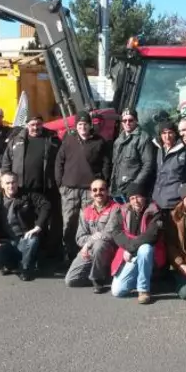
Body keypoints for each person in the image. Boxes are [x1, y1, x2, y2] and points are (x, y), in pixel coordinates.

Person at [0, 171, 50, 281]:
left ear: (18, 182)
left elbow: (46, 205)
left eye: (13, 182)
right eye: (7, 183)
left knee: (33, 240)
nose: (11, 186)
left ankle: (25, 268)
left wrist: (38, 227)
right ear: (2, 185)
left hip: (24, 239)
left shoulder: (28, 195)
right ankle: (11, 264)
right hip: (5, 241)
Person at [2, 114, 60, 259]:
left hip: (44, 189)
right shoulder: (16, 139)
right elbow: (6, 162)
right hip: (21, 189)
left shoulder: (52, 140)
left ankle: (42, 254)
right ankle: (21, 253)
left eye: (38, 124)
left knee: (43, 222)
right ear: (27, 125)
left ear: (42, 124)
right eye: (32, 125)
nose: (35, 128)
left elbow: (60, 162)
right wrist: (6, 180)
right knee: (22, 221)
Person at [55, 111, 111, 261]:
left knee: (88, 222)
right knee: (69, 221)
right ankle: (68, 253)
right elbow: (59, 162)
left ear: (90, 125)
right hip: (70, 189)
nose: (82, 127)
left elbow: (106, 164)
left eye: (85, 124)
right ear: (76, 126)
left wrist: (103, 183)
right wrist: (60, 184)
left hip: (90, 190)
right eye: (80, 124)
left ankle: (86, 253)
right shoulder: (68, 140)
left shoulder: (99, 142)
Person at [107, 183, 167, 304]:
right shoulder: (122, 210)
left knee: (145, 248)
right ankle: (142, 277)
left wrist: (130, 249)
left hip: (150, 254)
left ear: (144, 197)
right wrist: (128, 248)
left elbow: (151, 236)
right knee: (118, 291)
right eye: (132, 198)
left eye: (138, 197)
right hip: (131, 253)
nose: (136, 201)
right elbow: (116, 232)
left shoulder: (155, 211)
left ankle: (143, 289)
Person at [65, 179, 119, 292]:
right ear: (91, 193)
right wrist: (89, 243)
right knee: (71, 280)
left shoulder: (116, 208)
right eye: (95, 190)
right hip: (89, 250)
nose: (98, 192)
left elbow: (110, 233)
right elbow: (80, 237)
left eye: (101, 189)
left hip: (110, 249)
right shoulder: (86, 211)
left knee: (100, 244)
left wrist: (89, 243)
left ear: (107, 191)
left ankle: (97, 280)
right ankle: (106, 276)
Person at [151, 120, 186, 213]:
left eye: (170, 132)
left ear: (175, 134)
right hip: (157, 201)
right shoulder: (157, 150)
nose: (167, 136)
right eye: (164, 133)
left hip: (177, 203)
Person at [110, 108, 154, 201]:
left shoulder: (143, 138)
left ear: (136, 121)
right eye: (124, 120)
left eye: (130, 120)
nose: (127, 123)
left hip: (133, 191)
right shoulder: (118, 141)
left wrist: (135, 184)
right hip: (118, 189)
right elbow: (115, 165)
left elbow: (148, 165)